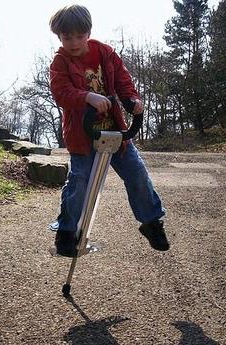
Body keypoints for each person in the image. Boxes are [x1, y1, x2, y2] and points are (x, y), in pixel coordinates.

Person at [49, 4, 169, 257]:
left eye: (79, 36)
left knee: (136, 172)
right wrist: (87, 97)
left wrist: (133, 101)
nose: (73, 42)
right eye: (66, 37)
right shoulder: (60, 62)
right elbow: (61, 93)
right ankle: (66, 232)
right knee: (80, 181)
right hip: (83, 136)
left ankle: (151, 222)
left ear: (88, 32)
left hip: (115, 133)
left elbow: (124, 82)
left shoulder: (105, 52)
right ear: (59, 37)